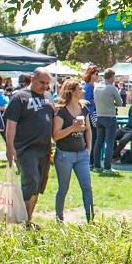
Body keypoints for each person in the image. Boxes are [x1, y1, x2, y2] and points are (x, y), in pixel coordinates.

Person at [4, 68, 55, 229]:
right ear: (32, 79)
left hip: (45, 148)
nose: (45, 86)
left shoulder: (48, 97)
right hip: (26, 148)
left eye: (47, 83)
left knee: (39, 184)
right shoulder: (19, 97)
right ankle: (25, 221)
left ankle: (28, 219)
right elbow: (11, 124)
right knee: (31, 181)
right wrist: (9, 147)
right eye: (42, 82)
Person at [52, 78, 94, 223]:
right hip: (64, 155)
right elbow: (56, 135)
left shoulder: (84, 108)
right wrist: (72, 128)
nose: (83, 91)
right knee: (63, 188)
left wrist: (88, 149)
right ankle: (59, 219)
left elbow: (88, 130)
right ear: (71, 91)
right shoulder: (61, 111)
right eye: (80, 89)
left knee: (87, 187)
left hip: (81, 154)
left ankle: (91, 219)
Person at [92, 68, 124, 174]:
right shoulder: (112, 88)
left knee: (98, 142)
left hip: (99, 116)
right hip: (110, 117)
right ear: (111, 77)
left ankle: (96, 165)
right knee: (109, 142)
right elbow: (120, 102)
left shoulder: (97, 87)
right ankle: (107, 167)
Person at [81, 66, 100, 169]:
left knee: (94, 138)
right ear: (91, 74)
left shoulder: (93, 86)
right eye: (96, 74)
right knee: (92, 138)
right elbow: (86, 101)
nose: (97, 76)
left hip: (94, 114)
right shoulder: (88, 87)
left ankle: (91, 161)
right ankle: (90, 161)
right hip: (91, 115)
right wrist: (96, 100)